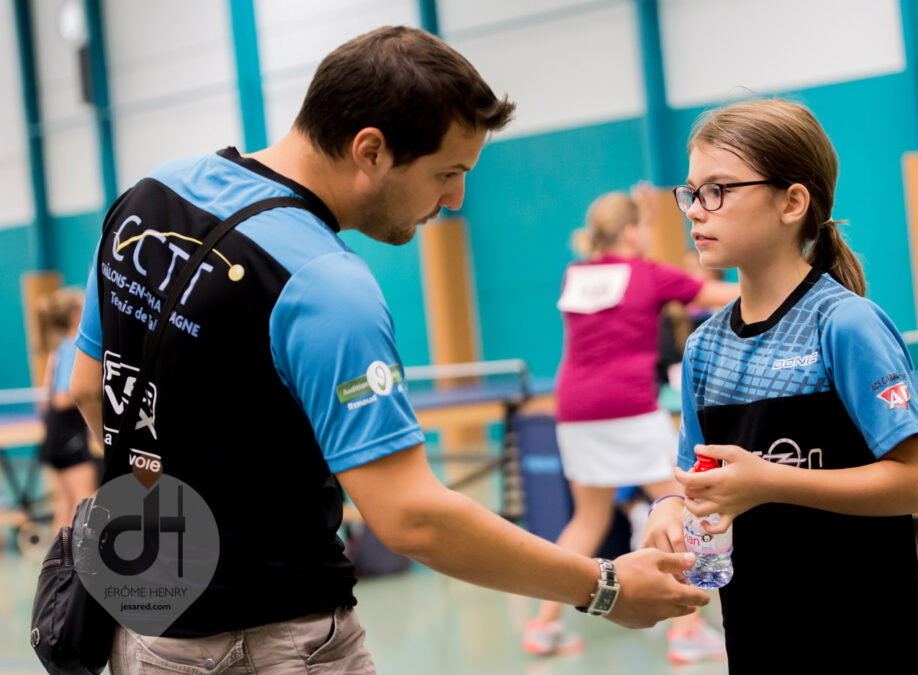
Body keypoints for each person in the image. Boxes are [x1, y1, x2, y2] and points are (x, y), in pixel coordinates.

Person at [68, 26, 709, 672]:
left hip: (145, 631)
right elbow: (412, 518)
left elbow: (87, 389)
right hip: (271, 641)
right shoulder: (325, 285)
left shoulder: (150, 197)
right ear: (370, 150)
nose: (455, 199)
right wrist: (604, 587)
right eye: (447, 173)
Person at [643, 98, 918, 674]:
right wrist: (669, 507)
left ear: (792, 202)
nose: (695, 211)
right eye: (691, 192)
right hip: (759, 637)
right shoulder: (704, 346)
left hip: (865, 638)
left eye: (719, 190)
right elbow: (698, 484)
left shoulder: (845, 324)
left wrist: (772, 483)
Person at [522, 188, 737, 663]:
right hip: (630, 408)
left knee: (589, 518)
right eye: (642, 225)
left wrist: (643, 217)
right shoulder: (648, 274)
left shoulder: (576, 273)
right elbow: (718, 293)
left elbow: (621, 272)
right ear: (631, 232)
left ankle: (541, 627)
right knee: (682, 508)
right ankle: (686, 631)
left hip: (575, 409)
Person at [36, 288, 96, 535]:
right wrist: (92, 390)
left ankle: (57, 568)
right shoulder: (74, 348)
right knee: (85, 502)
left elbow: (43, 400)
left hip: (56, 434)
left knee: (65, 505)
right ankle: (77, 568)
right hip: (68, 435)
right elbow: (61, 399)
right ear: (74, 315)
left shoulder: (59, 348)